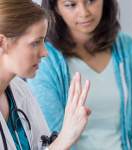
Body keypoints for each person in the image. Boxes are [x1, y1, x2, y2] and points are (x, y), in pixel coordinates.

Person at [27, 0, 132, 149]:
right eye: (71, 5)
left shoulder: (128, 47)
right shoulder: (44, 59)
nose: (84, 12)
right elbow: (54, 133)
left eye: (91, 1)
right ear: (55, 8)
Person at [0, 0, 91, 149]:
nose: (45, 52)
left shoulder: (21, 91)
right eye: (36, 42)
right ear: (2, 42)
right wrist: (65, 138)